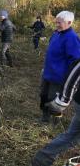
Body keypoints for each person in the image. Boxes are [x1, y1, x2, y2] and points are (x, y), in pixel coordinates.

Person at [32, 11, 80, 166]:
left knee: (55, 102)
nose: (56, 24)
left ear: (69, 23)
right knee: (44, 97)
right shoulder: (56, 34)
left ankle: (54, 124)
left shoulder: (72, 38)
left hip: (59, 78)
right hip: (48, 74)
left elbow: (75, 62)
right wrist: (45, 69)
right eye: (56, 21)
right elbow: (51, 54)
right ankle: (45, 119)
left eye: (59, 22)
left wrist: (66, 82)